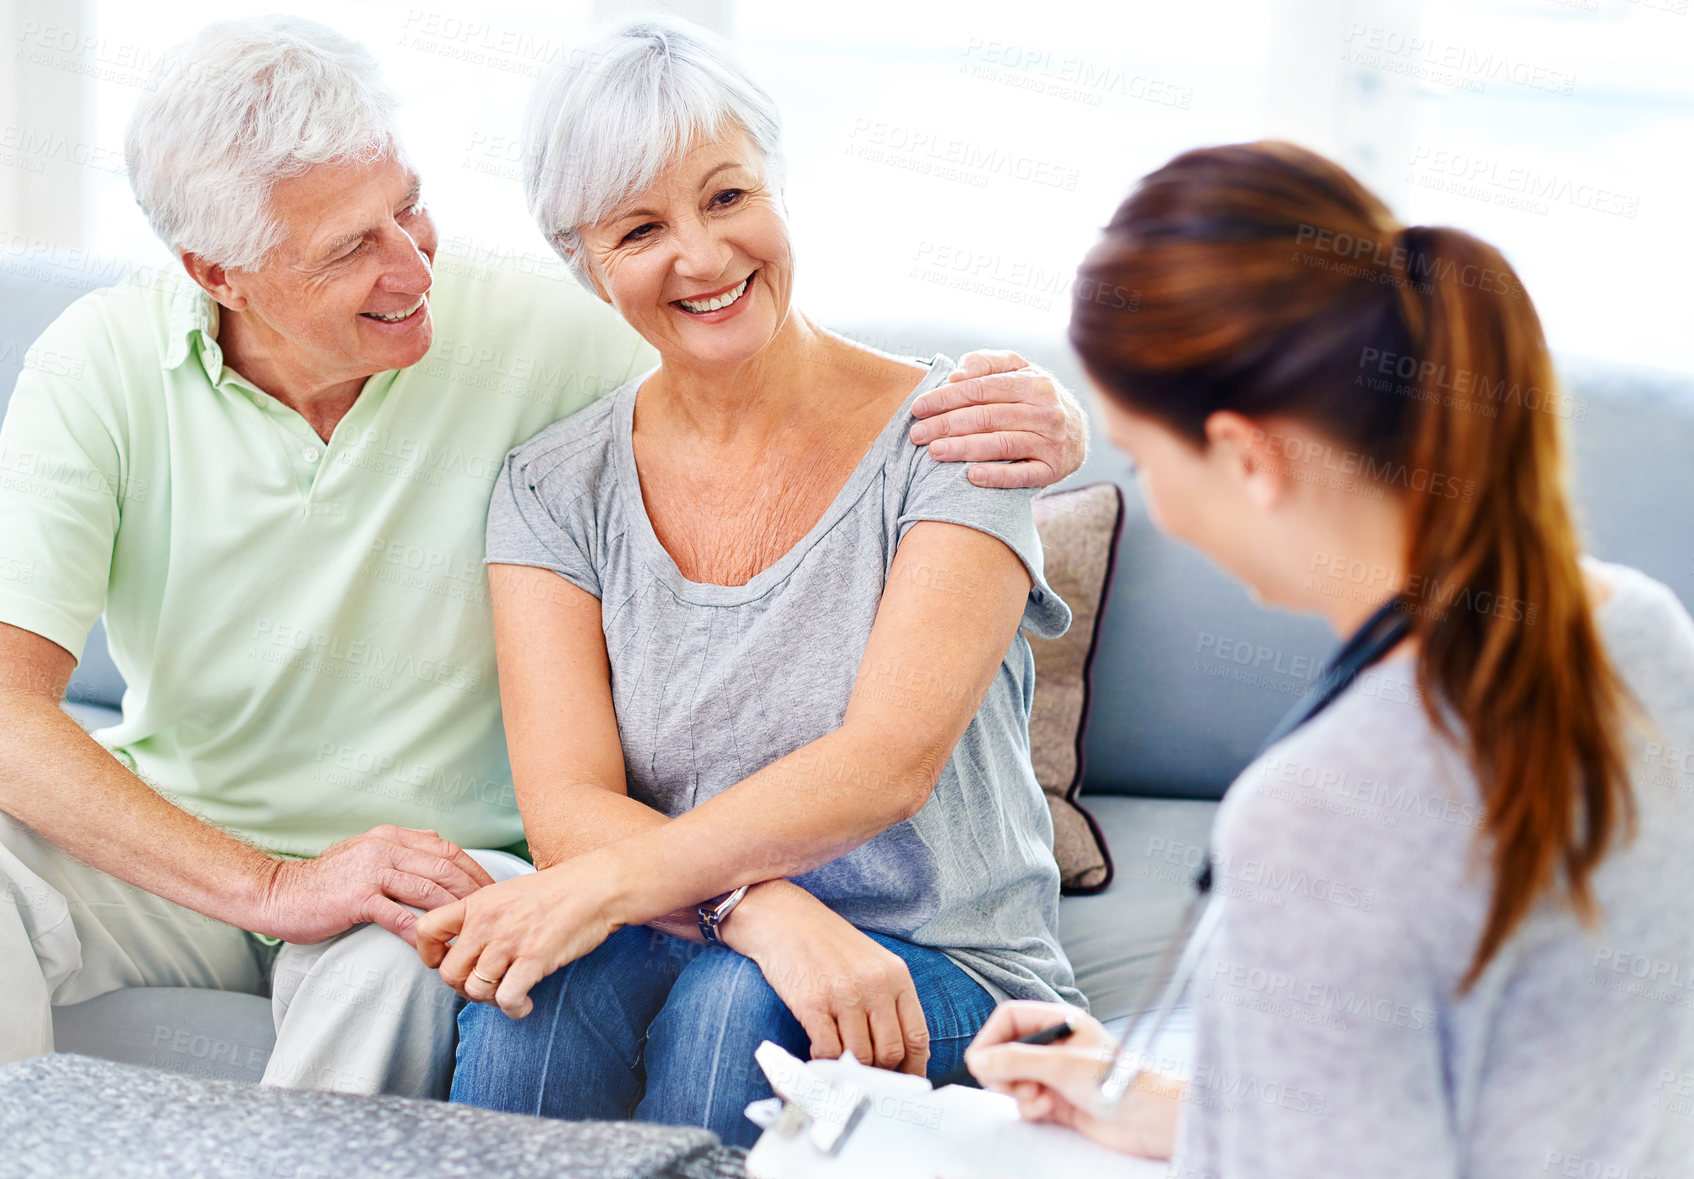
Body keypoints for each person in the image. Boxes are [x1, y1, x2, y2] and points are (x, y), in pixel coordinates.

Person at [0, 16, 1090, 1097]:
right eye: (347, 249)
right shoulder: (104, 364)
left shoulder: (546, 335)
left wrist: (1049, 420)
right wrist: (273, 885)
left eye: (408, 205)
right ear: (218, 273)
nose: (409, 265)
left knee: (584, 988)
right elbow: (8, 706)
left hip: (444, 876)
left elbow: (750, 342)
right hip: (203, 850)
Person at [962, 141, 1694, 1175]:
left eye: (1141, 457)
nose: (1154, 504)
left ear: (1246, 456)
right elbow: (1502, 1099)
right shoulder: (1639, 630)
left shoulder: (1321, 810)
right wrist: (1162, 1107)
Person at [419, 17, 1083, 1148]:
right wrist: (753, 905)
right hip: (698, 930)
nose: (704, 256)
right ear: (588, 267)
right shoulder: (550, 486)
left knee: (744, 1013)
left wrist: (706, 920)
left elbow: (882, 768)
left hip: (958, 968)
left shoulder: (956, 436)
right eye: (640, 228)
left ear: (776, 188)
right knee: (544, 987)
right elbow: (567, 803)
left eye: (726, 198)